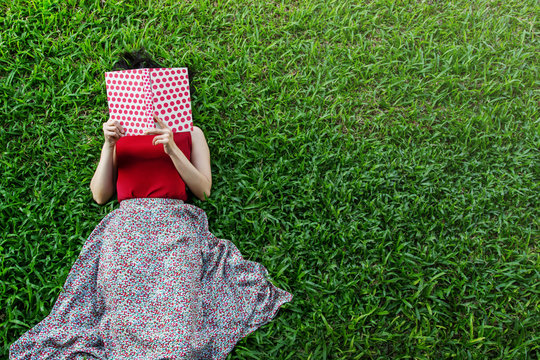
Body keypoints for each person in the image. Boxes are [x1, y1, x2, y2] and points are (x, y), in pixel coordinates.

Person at [9, 50, 293, 359]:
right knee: (121, 326)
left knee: (181, 328)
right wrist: (108, 145)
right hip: (127, 231)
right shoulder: (121, 137)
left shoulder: (190, 133)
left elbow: (204, 190)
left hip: (174, 227)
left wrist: (172, 148)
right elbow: (100, 195)